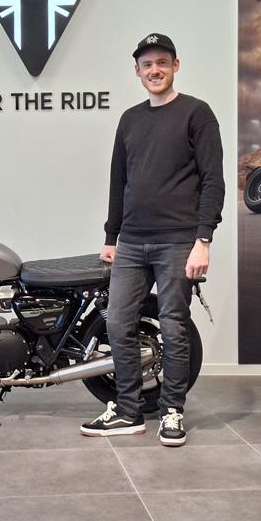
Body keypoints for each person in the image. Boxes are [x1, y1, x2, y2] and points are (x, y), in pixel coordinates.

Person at [80, 33, 224, 446]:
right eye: (147, 65)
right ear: (137, 71)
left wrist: (203, 239)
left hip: (178, 241)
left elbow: (213, 180)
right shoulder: (130, 119)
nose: (154, 70)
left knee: (173, 326)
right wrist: (111, 236)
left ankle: (172, 411)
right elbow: (119, 181)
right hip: (131, 241)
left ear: (175, 66)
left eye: (162, 62)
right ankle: (128, 411)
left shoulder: (197, 113)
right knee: (118, 322)